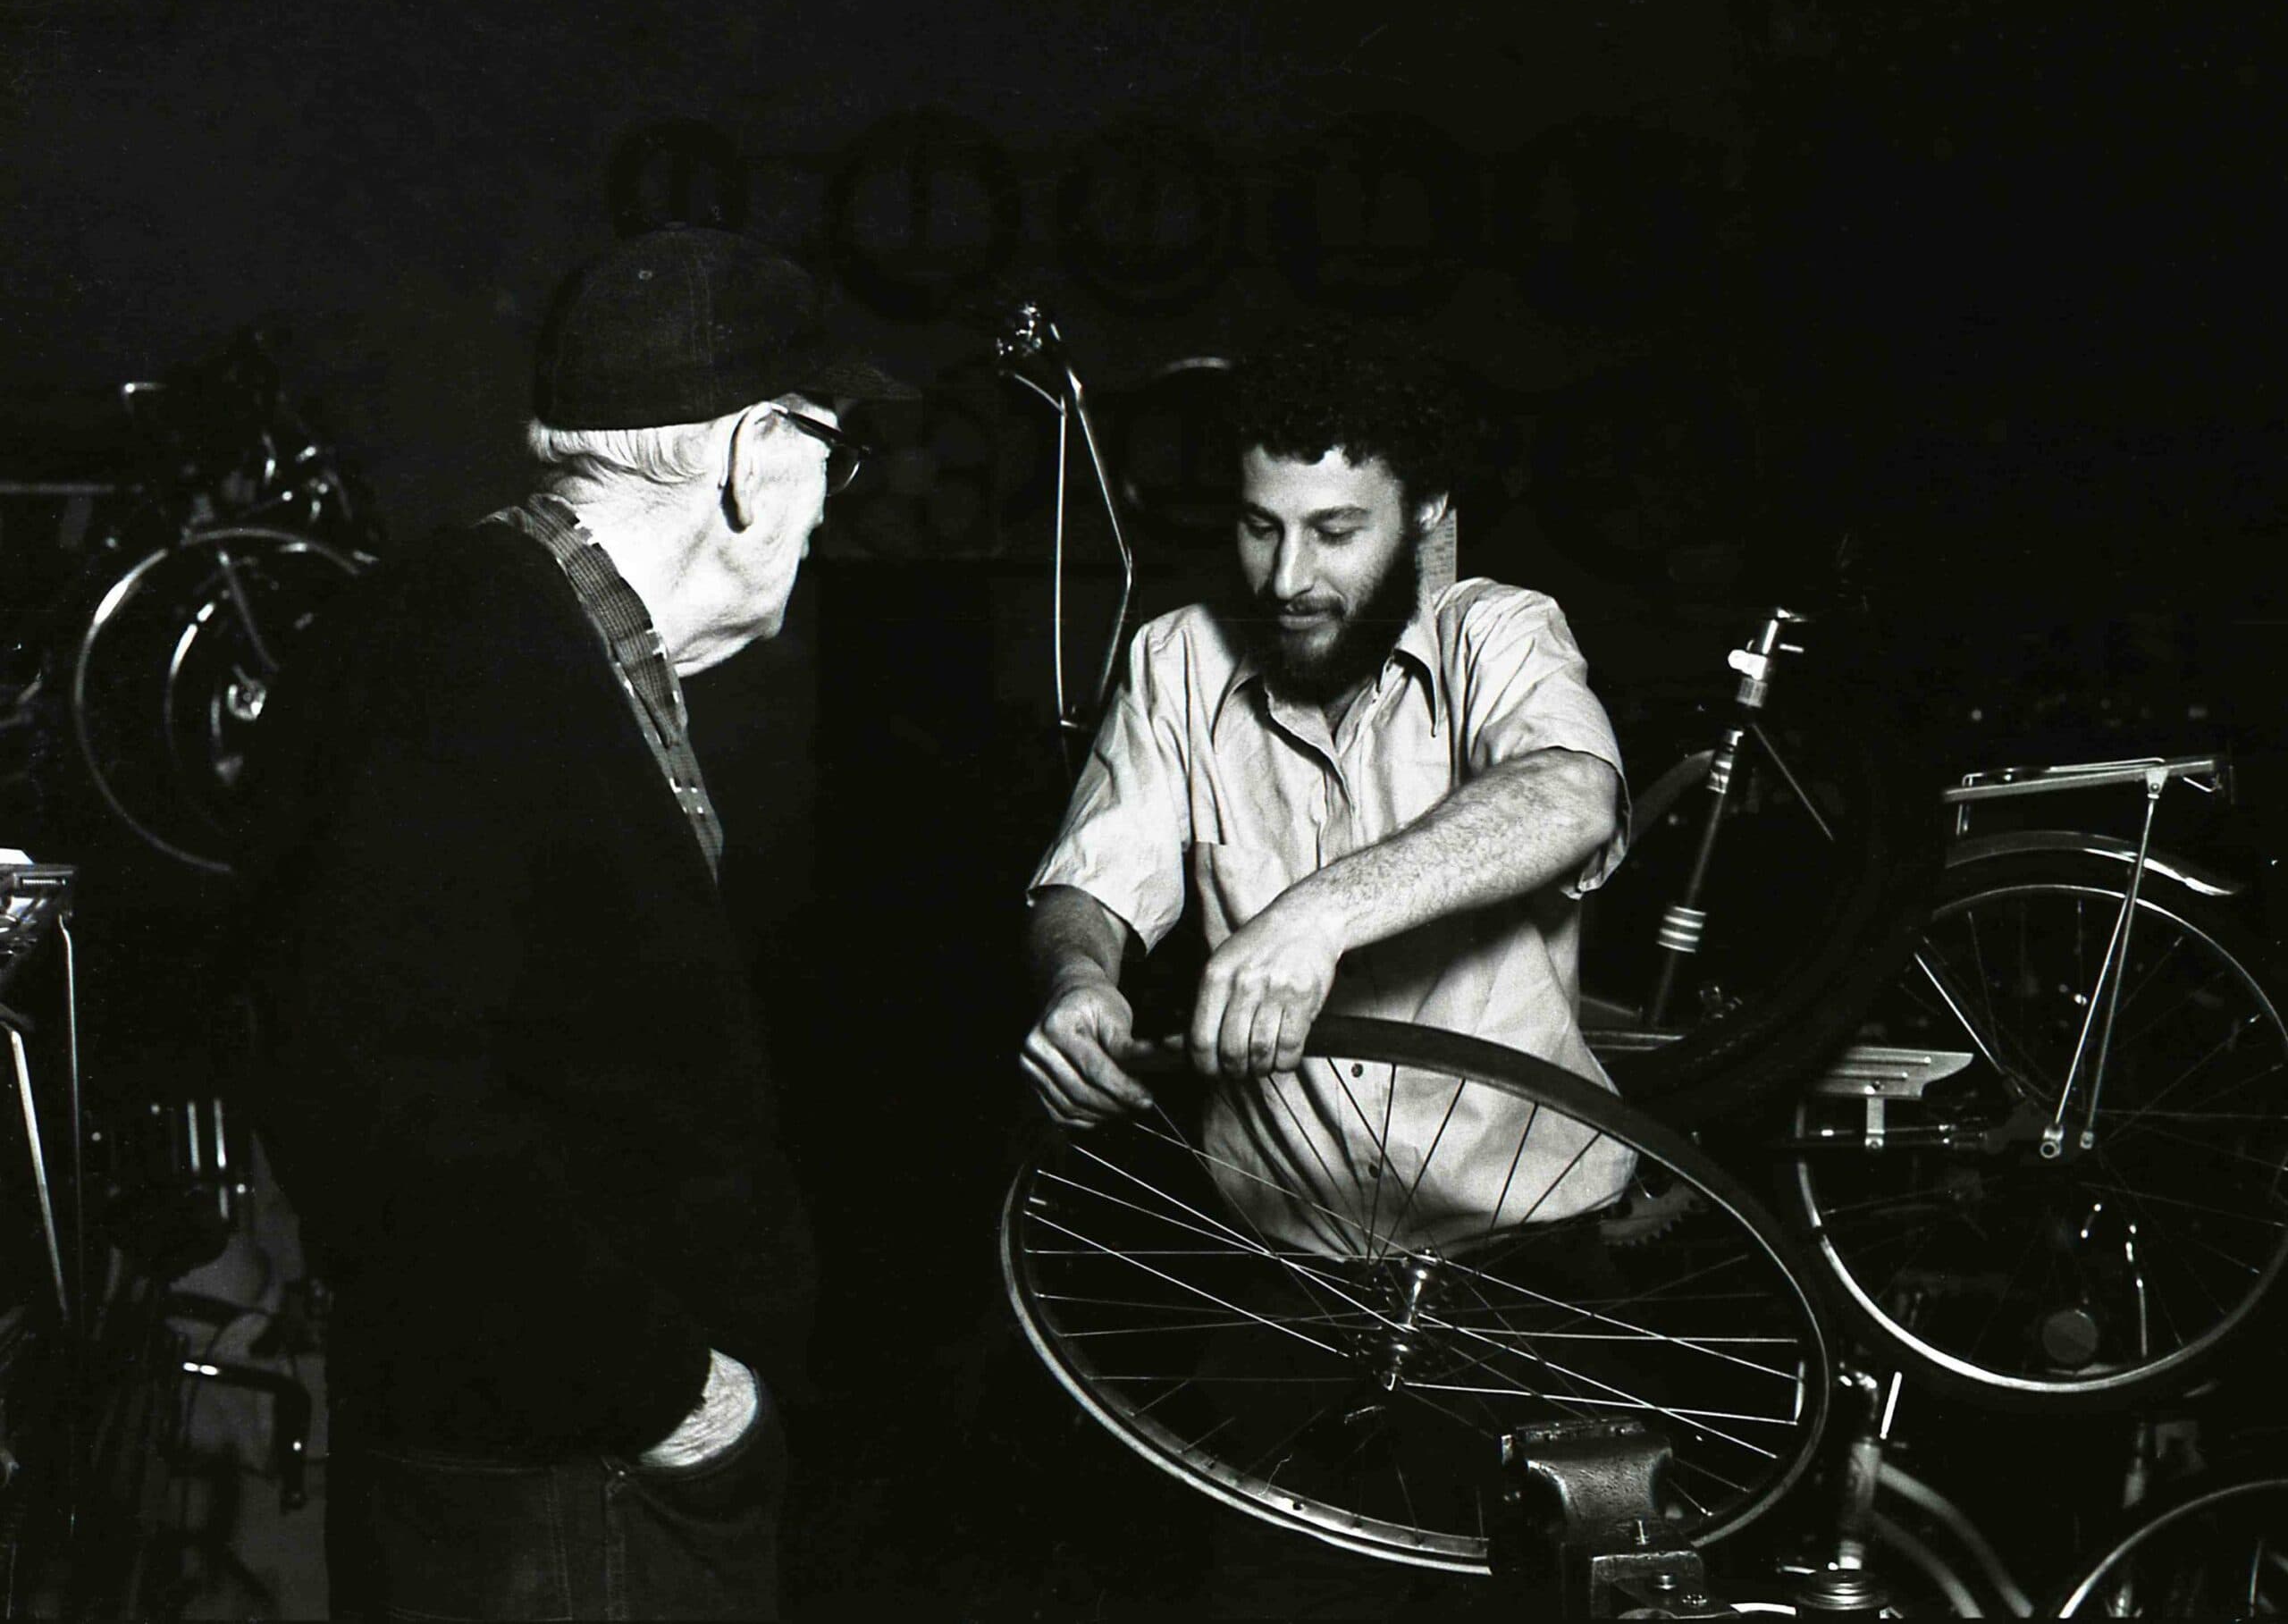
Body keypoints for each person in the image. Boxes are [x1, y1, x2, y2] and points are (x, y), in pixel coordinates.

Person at [238, 226, 910, 1620]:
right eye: (832, 459)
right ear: (749, 453)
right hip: (566, 1481)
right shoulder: (478, 654)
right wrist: (676, 1396)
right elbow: (390, 1097)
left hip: (556, 1454)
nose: (829, 509)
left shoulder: (503, 630)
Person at [1018, 319, 1633, 1253]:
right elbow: (1093, 875)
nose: (1287, 577)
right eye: (1261, 527)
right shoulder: (1176, 656)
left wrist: (1316, 914)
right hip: (1283, 1244)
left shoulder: (1499, 633)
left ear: (1425, 510)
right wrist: (1078, 980)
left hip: (1528, 1231)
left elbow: (1569, 796)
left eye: (1335, 530)